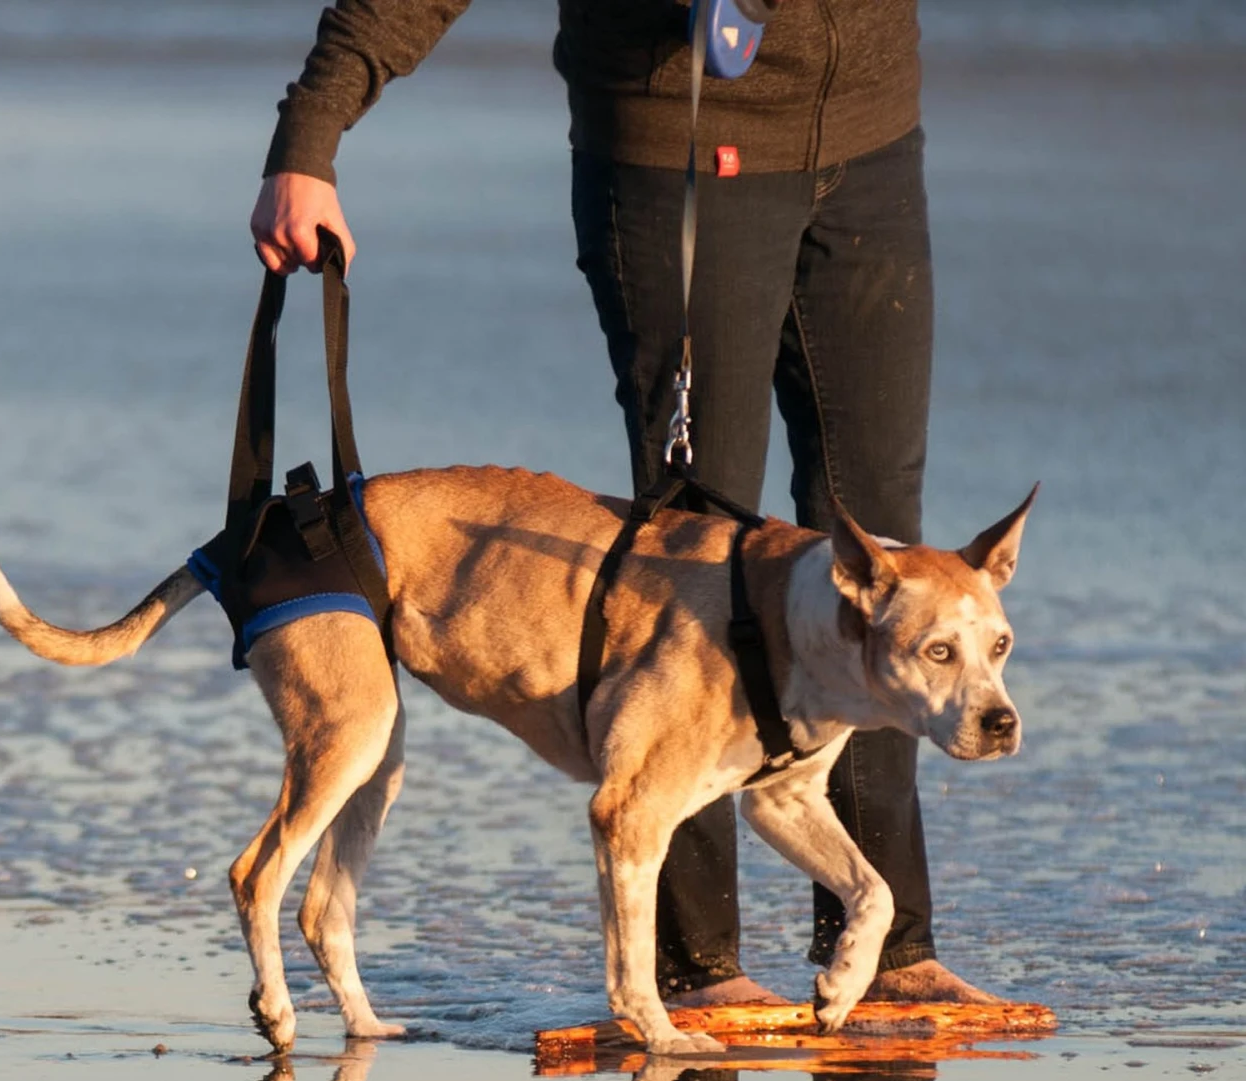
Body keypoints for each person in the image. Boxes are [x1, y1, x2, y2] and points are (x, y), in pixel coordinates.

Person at [250, 0, 1007, 1009]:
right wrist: (311, 137)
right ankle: (698, 968)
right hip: (682, 146)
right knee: (697, 556)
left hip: (870, 140)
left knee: (890, 554)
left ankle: (891, 949)